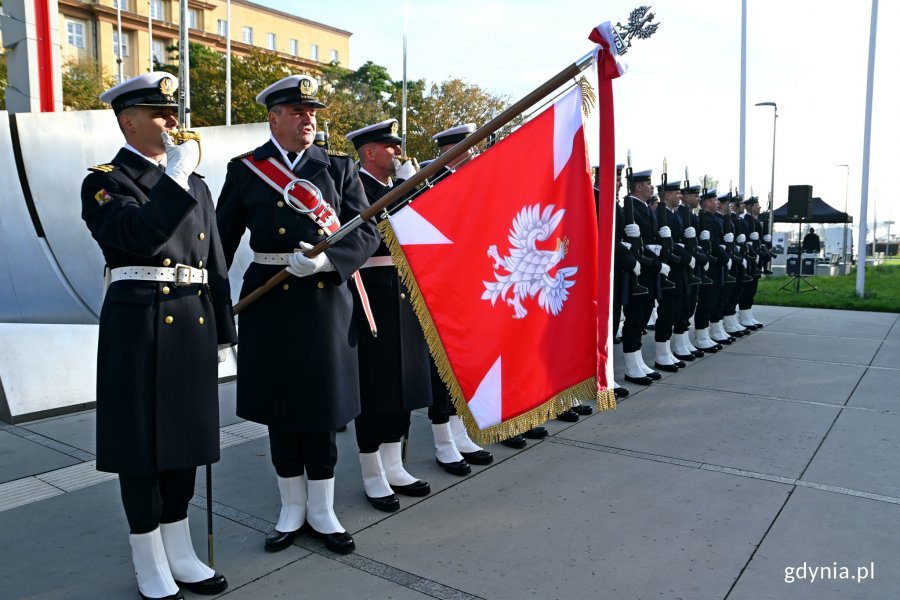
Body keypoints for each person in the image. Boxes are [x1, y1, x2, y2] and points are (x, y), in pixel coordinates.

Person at [81, 72, 235, 600]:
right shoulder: (105, 181)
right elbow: (137, 238)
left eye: (173, 111)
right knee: (142, 446)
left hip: (192, 321)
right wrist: (172, 178)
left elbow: (214, 263)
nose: (173, 121)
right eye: (157, 113)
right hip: (139, 325)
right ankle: (149, 558)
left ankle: (181, 549)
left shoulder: (195, 183)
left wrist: (223, 331)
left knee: (185, 441)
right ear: (127, 121)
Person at [216, 74, 379, 555]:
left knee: (323, 406)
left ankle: (323, 509)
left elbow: (366, 232)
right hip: (267, 302)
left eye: (313, 112)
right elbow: (219, 247)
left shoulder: (339, 168)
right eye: (299, 111)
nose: (310, 118)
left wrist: (329, 261)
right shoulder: (246, 170)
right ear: (275, 116)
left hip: (324, 301)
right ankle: (290, 507)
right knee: (280, 407)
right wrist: (209, 311)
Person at [344, 119, 432, 512]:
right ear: (369, 152)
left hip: (406, 290)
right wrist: (404, 190)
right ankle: (371, 471)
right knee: (376, 386)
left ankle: (394, 464)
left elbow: (424, 230)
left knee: (405, 382)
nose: (398, 153)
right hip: (373, 292)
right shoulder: (355, 186)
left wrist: (413, 189)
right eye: (390, 147)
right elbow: (380, 232)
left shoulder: (402, 187)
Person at [620, 170, 664, 385]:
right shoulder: (628, 207)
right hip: (638, 270)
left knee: (644, 316)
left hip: (648, 269)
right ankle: (630, 365)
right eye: (648, 183)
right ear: (638, 187)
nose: (652, 187)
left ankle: (637, 360)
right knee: (635, 317)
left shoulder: (645, 208)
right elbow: (630, 242)